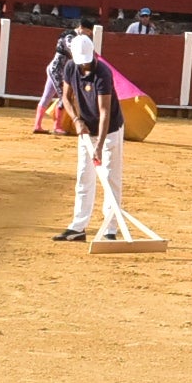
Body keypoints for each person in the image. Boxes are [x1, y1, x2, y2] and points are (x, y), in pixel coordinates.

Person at [49, 31, 128, 242]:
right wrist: (76, 120)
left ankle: (110, 229)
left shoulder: (103, 72)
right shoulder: (70, 67)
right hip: (85, 131)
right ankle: (78, 226)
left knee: (111, 177)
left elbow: (104, 112)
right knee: (84, 176)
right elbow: (66, 97)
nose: (84, 67)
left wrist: (100, 144)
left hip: (109, 130)